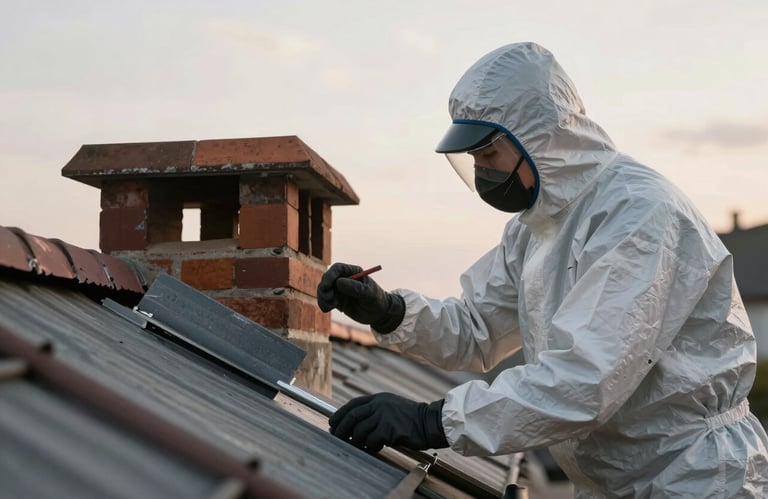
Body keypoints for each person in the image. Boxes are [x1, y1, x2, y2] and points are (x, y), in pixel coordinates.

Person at [317, 42, 768, 496]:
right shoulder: (536, 228)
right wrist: (389, 310)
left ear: (540, 138)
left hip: (696, 478)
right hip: (615, 481)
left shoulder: (638, 213)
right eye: (472, 160)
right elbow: (477, 329)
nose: (481, 173)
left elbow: (586, 379)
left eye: (488, 157)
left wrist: (433, 421)